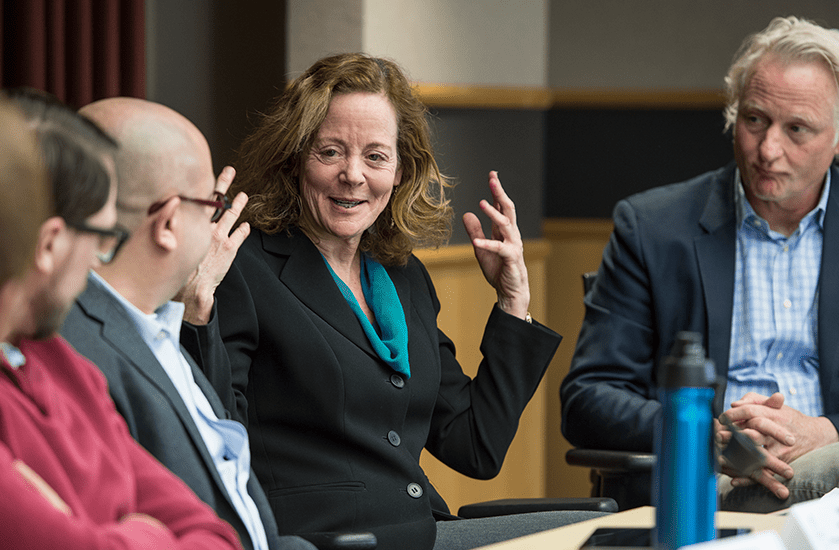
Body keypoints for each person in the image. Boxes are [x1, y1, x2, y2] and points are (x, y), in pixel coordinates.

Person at [179, 53, 600, 550]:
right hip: (324, 538)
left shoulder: (404, 277)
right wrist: (196, 314)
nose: (353, 175)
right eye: (330, 152)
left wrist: (513, 301)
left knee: (604, 530)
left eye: (376, 156)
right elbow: (217, 437)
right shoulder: (243, 267)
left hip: (423, 529)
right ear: (295, 159)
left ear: (401, 171)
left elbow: (474, 447)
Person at [561, 16, 839, 513]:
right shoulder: (653, 226)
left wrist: (826, 431)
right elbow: (588, 397)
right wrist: (705, 436)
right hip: (702, 485)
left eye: (796, 129)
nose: (768, 150)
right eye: (755, 120)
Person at [58, 97, 316, 550]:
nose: (218, 218)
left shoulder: (156, 324)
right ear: (169, 222)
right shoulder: (75, 354)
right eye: (212, 203)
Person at [0, 91, 242, 549]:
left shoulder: (56, 361)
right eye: (103, 236)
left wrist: (102, 533)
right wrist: (140, 529)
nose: (100, 259)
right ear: (50, 244)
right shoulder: (70, 347)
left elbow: (216, 536)